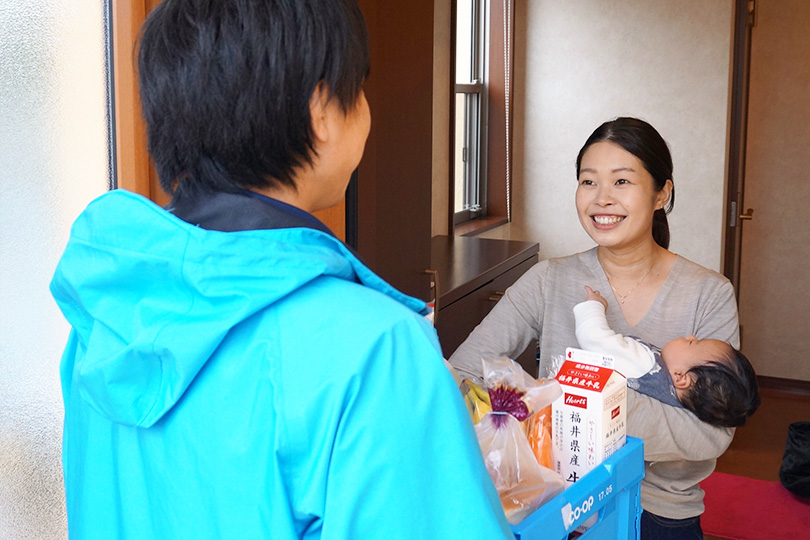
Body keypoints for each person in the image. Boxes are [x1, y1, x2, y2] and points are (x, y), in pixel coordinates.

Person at [49, 1, 513, 538]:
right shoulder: (375, 349)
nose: (364, 109)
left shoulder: (106, 318)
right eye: (357, 90)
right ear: (321, 111)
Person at [450, 116, 739, 539]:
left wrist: (579, 403)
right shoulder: (549, 280)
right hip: (552, 506)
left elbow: (709, 435)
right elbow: (463, 374)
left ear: (662, 193)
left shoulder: (708, 294)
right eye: (589, 182)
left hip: (658, 513)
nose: (602, 199)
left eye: (622, 182)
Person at [576, 285, 760, 428]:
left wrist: (594, 305)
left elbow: (594, 337)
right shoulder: (675, 405)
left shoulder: (645, 365)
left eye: (692, 343)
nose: (690, 336)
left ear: (680, 377)